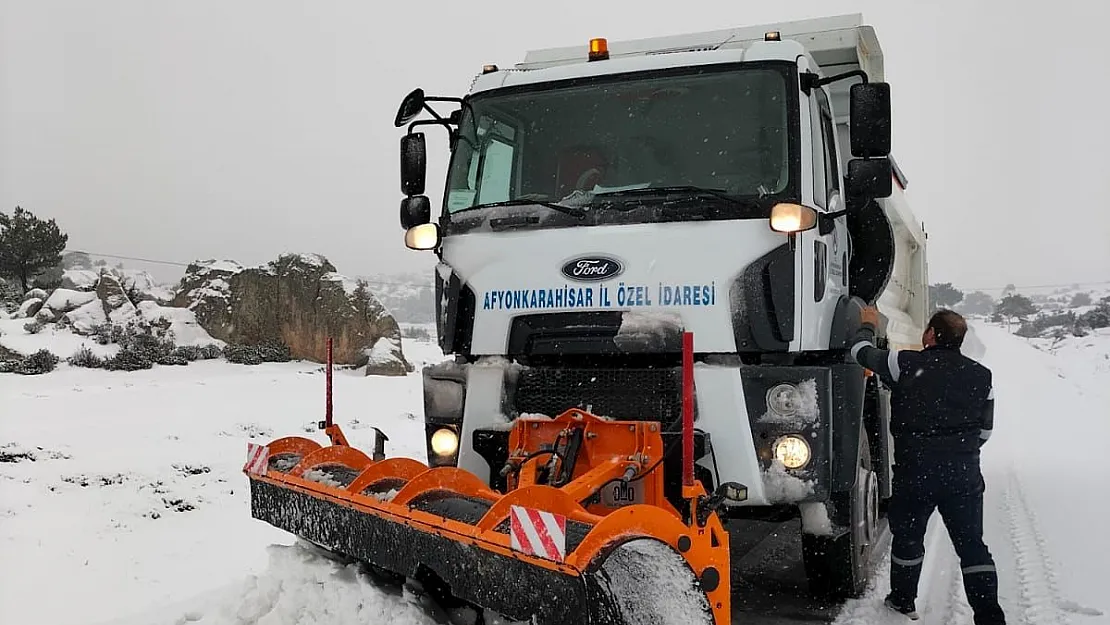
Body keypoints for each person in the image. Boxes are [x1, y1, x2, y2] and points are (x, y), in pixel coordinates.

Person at [849, 306, 1006, 624]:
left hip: (915, 473)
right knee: (972, 545)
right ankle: (990, 616)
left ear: (932, 335)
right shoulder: (981, 376)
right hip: (963, 477)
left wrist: (867, 324)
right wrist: (956, 454)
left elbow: (860, 353)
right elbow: (985, 432)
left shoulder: (904, 364)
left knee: (908, 539)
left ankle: (903, 600)